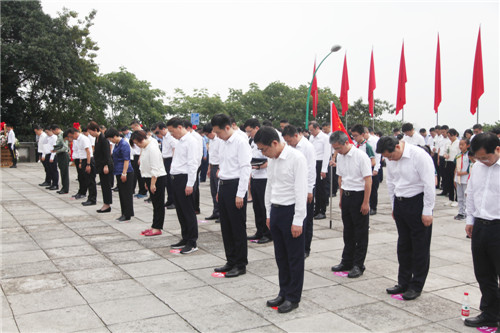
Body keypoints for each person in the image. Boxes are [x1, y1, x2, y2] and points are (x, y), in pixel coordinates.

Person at [255, 126, 307, 314]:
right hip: (276, 211)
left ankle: (293, 297)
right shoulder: (273, 159)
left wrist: (298, 220)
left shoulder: (296, 158)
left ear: (275, 143)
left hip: (291, 212)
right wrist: (268, 213)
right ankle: (283, 291)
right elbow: (270, 186)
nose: (263, 153)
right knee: (281, 257)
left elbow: (301, 190)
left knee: (294, 258)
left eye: (264, 149)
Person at [376, 136, 435, 300]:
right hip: (401, 204)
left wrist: (428, 210)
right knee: (403, 246)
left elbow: (429, 184)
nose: (389, 159)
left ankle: (416, 286)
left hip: (417, 203)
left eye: (390, 156)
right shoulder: (391, 158)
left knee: (419, 247)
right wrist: (394, 206)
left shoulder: (419, 156)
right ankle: (403, 282)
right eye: (386, 158)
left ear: (398, 147)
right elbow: (391, 182)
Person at [463, 133, 500, 328]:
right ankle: (490, 312)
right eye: (478, 158)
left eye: (486, 157)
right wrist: (470, 219)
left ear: (498, 150)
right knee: (484, 274)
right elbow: (471, 193)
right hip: (480, 226)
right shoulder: (477, 167)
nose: (482, 162)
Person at [211, 114, 252, 278]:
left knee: (237, 227)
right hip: (224, 184)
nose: (217, 135)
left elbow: (245, 168)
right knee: (226, 227)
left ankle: (240, 264)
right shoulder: (222, 142)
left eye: (218, 132)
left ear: (227, 127)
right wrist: (220, 191)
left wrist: (241, 194)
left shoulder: (240, 142)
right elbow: (223, 166)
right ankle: (230, 260)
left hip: (236, 186)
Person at [330, 131, 372, 278]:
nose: (337, 151)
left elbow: (368, 180)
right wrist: (341, 198)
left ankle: (358, 264)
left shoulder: (361, 156)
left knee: (360, 232)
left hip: (359, 196)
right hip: (347, 195)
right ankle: (346, 260)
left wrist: (366, 202)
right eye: (335, 148)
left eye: (338, 148)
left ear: (346, 143)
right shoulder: (340, 157)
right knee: (348, 231)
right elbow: (341, 179)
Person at [282, 125, 316, 258]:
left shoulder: (307, 147)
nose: (289, 144)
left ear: (296, 135)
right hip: (294, 186)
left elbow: (311, 169)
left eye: (290, 141)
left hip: (306, 187)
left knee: (306, 220)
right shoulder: (291, 147)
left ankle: (305, 248)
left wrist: (309, 190)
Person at [167, 117, 199, 254]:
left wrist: (190, 183)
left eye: (172, 131)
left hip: (185, 178)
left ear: (180, 127)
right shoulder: (180, 141)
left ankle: (192, 242)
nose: (171, 134)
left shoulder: (191, 141)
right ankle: (185, 237)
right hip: (176, 178)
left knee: (188, 211)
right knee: (180, 211)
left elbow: (193, 163)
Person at [130, 130, 168, 236]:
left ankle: (157, 227)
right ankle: (154, 225)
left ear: (142, 139)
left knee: (158, 204)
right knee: (155, 204)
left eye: (138, 143)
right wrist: (147, 182)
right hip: (149, 178)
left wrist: (152, 183)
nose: (138, 145)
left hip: (157, 178)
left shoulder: (152, 148)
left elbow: (155, 167)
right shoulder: (145, 147)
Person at [244, 119, 272, 244]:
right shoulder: (251, 141)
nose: (249, 134)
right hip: (255, 176)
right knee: (256, 207)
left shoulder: (266, 139)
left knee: (263, 206)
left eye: (250, 131)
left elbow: (270, 160)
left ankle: (267, 233)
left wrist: (260, 166)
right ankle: (259, 231)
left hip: (264, 177)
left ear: (257, 128)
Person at [105, 128, 134, 222]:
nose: (110, 141)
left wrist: (124, 173)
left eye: (110, 139)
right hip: (118, 171)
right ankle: (124, 212)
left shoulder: (124, 144)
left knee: (126, 194)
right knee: (122, 193)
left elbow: (126, 159)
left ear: (114, 136)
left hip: (125, 171)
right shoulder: (117, 144)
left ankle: (127, 214)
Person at [66, 127, 97, 206]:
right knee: (86, 179)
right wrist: (80, 162)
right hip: (83, 160)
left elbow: (88, 152)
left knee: (91, 181)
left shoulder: (83, 139)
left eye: (72, 136)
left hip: (88, 160)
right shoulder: (78, 140)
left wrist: (88, 164)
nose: (72, 138)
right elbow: (81, 152)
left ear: (75, 133)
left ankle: (92, 199)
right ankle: (89, 198)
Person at [88, 121, 113, 213]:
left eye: (91, 132)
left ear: (95, 130)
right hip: (100, 165)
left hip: (105, 166)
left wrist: (106, 165)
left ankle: (107, 205)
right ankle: (105, 204)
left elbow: (107, 154)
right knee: (103, 185)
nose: (90, 134)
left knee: (106, 186)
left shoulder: (103, 139)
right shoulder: (97, 138)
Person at [308, 121, 331, 220]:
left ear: (318, 128)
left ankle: (322, 210)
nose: (311, 132)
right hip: (313, 163)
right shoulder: (311, 138)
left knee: (322, 189)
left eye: (312, 130)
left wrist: (324, 169)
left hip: (322, 163)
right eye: (310, 130)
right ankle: (316, 209)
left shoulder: (325, 138)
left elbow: (327, 154)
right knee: (315, 188)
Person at [153, 122, 177, 210]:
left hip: (171, 160)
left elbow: (174, 148)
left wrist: (173, 163)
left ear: (163, 129)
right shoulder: (165, 138)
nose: (158, 134)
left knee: (171, 183)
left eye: (158, 131)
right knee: (167, 183)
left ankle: (174, 201)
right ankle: (170, 200)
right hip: (166, 160)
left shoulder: (170, 137)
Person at [202, 123, 222, 222]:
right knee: (213, 191)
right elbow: (212, 155)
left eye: (207, 134)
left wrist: (219, 168)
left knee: (219, 192)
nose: (207, 136)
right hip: (213, 166)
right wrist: (209, 169)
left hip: (219, 167)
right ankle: (216, 212)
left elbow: (221, 156)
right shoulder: (211, 140)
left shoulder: (219, 140)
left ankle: (222, 214)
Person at [186, 121, 203, 214]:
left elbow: (199, 153)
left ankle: (195, 207)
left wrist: (196, 166)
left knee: (194, 186)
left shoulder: (196, 137)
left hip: (195, 165)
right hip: (190, 165)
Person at [364, 127, 381, 215]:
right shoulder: (361, 143)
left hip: (373, 167)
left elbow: (377, 156)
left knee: (373, 189)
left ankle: (373, 207)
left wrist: (376, 169)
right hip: (364, 167)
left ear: (367, 133)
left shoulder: (374, 141)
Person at [130, 120, 148, 198]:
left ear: (137, 126)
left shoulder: (142, 134)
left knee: (141, 175)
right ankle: (140, 190)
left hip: (140, 156)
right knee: (137, 174)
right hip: (135, 156)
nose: (133, 129)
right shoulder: (135, 134)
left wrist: (140, 158)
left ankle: (143, 191)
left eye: (133, 128)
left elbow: (142, 146)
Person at [454, 137, 470, 220]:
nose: (460, 146)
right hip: (459, 179)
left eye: (462, 144)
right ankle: (460, 212)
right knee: (459, 196)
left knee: (466, 197)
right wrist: (455, 177)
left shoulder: (470, 155)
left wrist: (462, 173)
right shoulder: (458, 155)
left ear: (467, 145)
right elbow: (456, 167)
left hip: (466, 179)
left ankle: (467, 213)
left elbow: (470, 168)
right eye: (460, 144)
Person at [50, 124, 70, 194]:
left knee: (64, 173)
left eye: (53, 131)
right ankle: (63, 188)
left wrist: (56, 151)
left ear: (56, 129)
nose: (53, 133)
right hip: (61, 155)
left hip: (63, 155)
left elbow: (65, 147)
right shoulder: (59, 135)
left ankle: (65, 189)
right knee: (62, 172)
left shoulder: (62, 135)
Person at [443, 128, 460, 206]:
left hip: (455, 163)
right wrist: (445, 155)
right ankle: (451, 198)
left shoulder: (458, 143)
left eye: (451, 136)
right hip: (447, 162)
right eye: (448, 136)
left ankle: (457, 199)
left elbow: (459, 154)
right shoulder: (447, 143)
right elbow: (444, 152)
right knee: (448, 181)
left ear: (455, 135)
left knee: (455, 182)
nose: (450, 138)